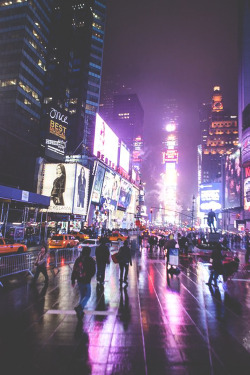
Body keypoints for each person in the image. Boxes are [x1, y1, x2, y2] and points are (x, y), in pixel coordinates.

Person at [71, 246, 96, 319]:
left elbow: (74, 270)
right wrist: (89, 276)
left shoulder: (78, 259)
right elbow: (93, 271)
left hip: (79, 280)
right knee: (88, 295)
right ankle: (80, 307)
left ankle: (80, 312)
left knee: (82, 296)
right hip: (87, 280)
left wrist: (73, 280)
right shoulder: (90, 260)